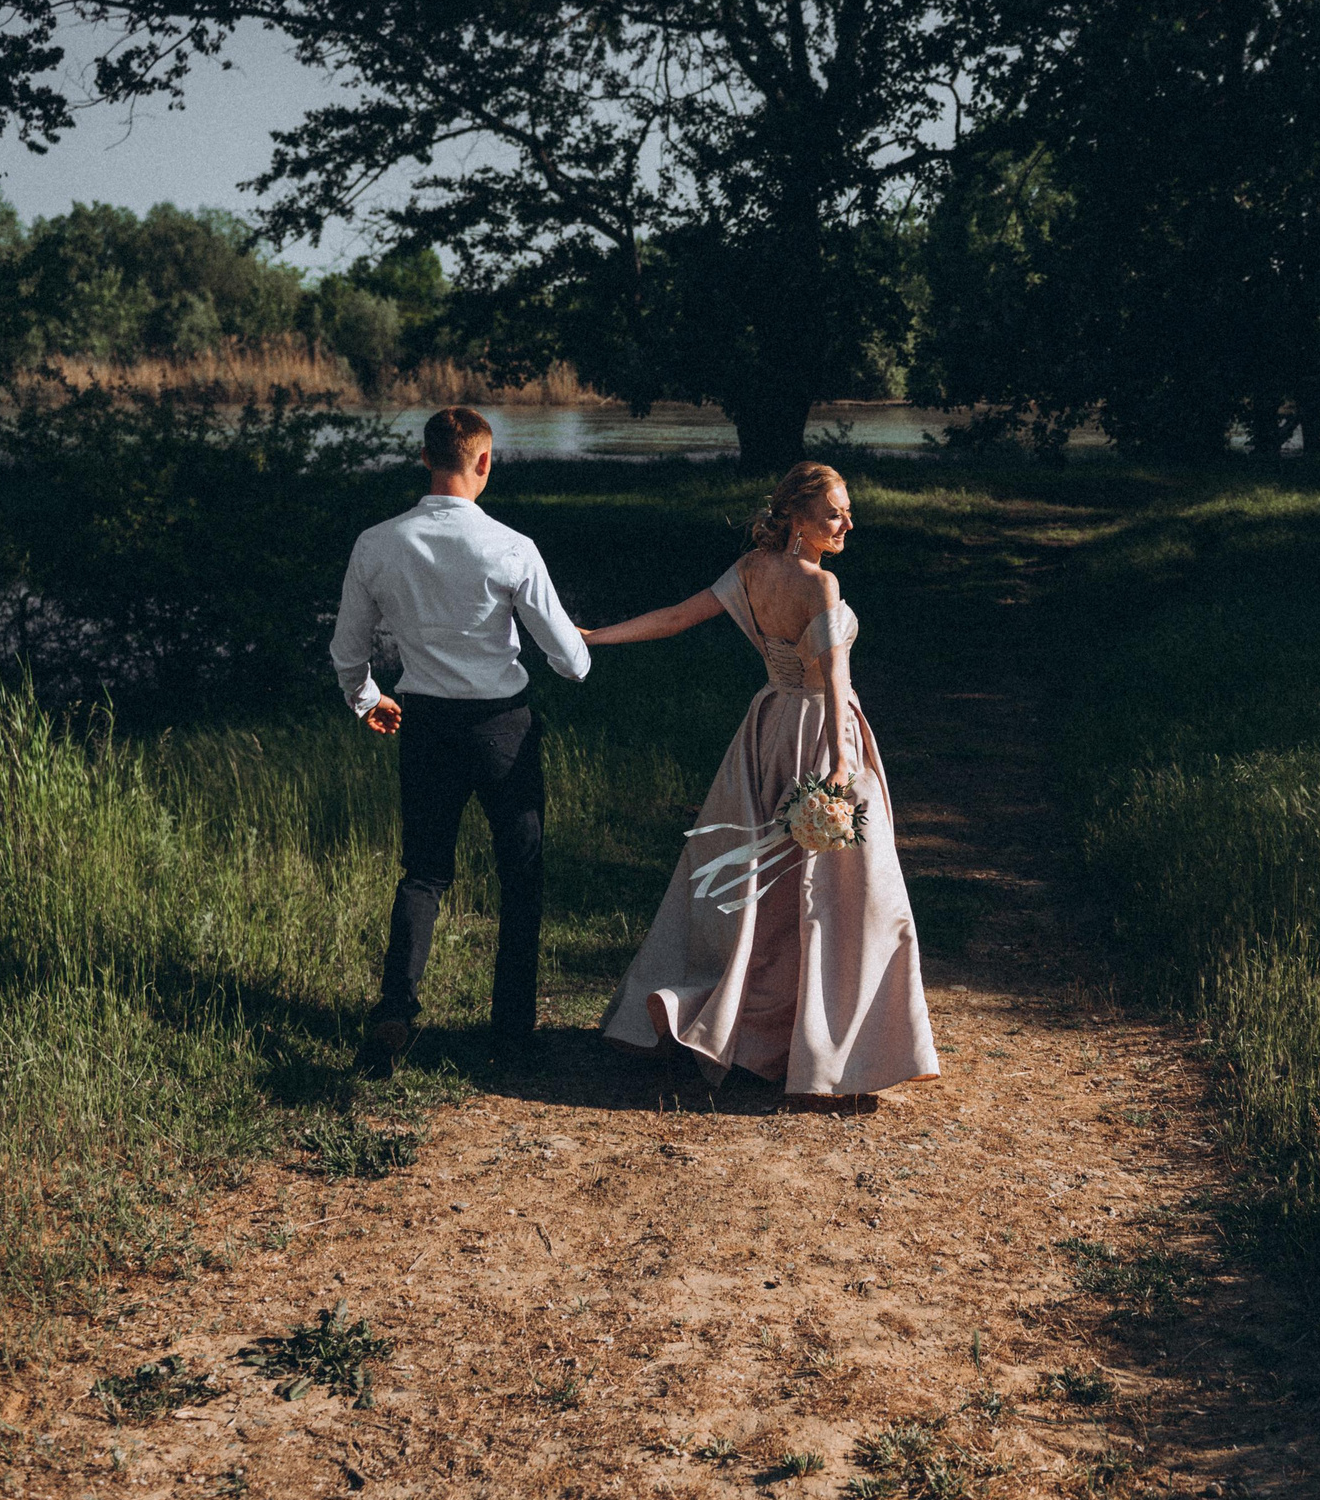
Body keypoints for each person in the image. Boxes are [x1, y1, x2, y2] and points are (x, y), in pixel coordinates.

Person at [584, 462, 938, 1096]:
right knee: (843, 892)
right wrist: (840, 763)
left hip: (767, 728)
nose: (847, 524)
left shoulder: (751, 568)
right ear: (798, 517)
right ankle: (832, 1046)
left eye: (848, 512)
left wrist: (595, 636)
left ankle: (755, 1031)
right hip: (822, 729)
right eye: (834, 513)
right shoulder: (821, 584)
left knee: (766, 890)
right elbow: (834, 679)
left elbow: (674, 617)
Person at [331, 408, 590, 1076]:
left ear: (424, 458)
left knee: (423, 872)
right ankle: (512, 1033)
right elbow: (571, 662)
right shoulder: (511, 547)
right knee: (520, 875)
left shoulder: (376, 543)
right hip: (503, 728)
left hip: (426, 725)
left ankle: (394, 1011)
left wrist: (367, 699)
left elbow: (347, 650)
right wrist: (573, 642)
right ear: (484, 461)